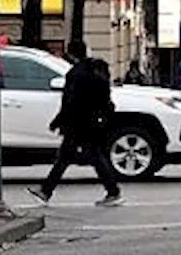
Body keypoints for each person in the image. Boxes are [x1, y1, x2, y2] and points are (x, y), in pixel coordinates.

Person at [27, 40, 122, 207]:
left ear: (71, 54)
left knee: (75, 157)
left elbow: (70, 101)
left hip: (77, 123)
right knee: (76, 156)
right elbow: (104, 98)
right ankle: (46, 191)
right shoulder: (96, 69)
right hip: (92, 121)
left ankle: (113, 191)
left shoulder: (76, 73)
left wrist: (59, 120)